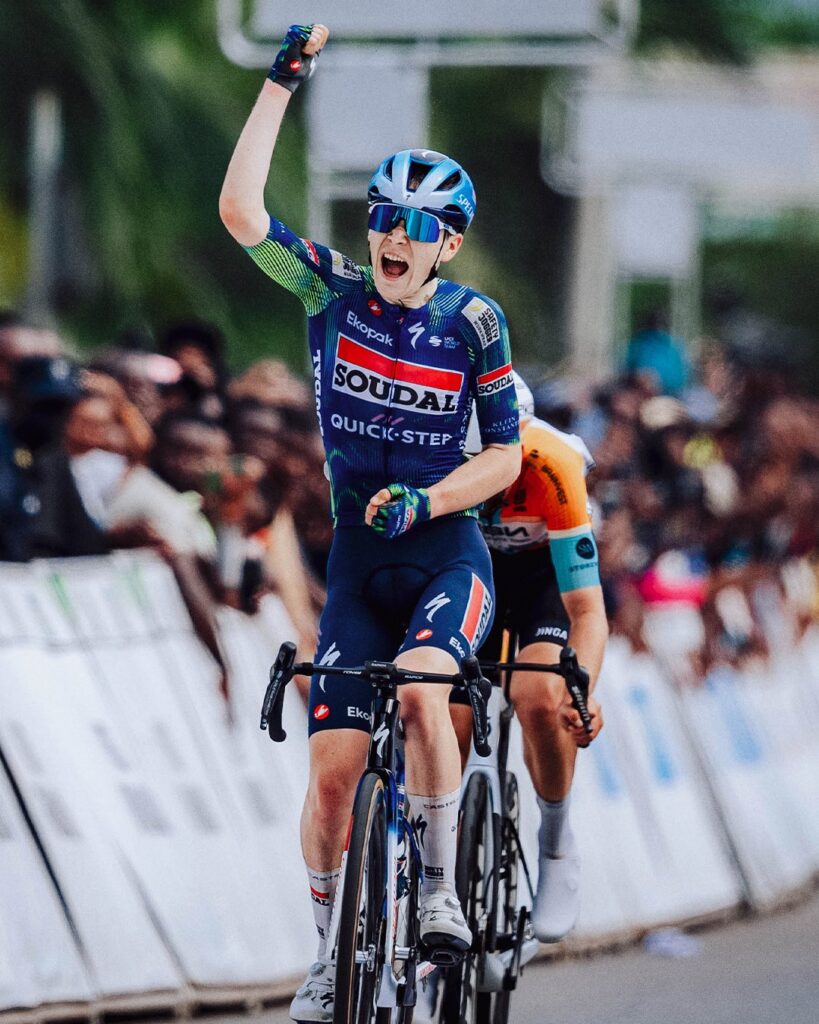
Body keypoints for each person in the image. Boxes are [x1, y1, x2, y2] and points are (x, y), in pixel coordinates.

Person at [220, 24, 521, 1022]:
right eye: (385, 217)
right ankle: (324, 957)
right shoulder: (330, 290)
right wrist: (281, 81)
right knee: (332, 779)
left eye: (419, 225)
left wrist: (429, 500)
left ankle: (436, 890)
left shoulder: (473, 323)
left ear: (449, 243)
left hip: (443, 553)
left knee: (427, 693)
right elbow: (241, 212)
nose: (396, 238)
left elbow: (505, 456)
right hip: (357, 562)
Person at [451, 372, 608, 943]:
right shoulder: (435, 459)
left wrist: (580, 690)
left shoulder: (553, 464)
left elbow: (587, 610)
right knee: (447, 712)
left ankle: (556, 841)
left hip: (545, 578)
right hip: (473, 572)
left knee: (539, 694)